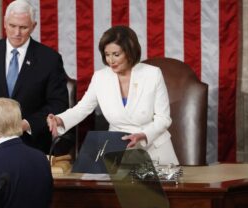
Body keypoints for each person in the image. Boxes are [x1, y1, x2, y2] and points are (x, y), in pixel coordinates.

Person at [47, 26, 179, 165]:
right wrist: (59, 119)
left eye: (116, 54)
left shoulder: (153, 74)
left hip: (154, 149)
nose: (111, 60)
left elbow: (163, 119)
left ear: (130, 52)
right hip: (120, 149)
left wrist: (143, 136)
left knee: (157, 187)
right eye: (107, 54)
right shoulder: (100, 77)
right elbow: (82, 109)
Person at [0, 0, 68, 163]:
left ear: (34, 26)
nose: (17, 32)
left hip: (31, 146)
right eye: (12, 25)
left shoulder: (49, 59)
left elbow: (58, 104)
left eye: (23, 27)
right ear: (4, 23)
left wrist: (27, 124)